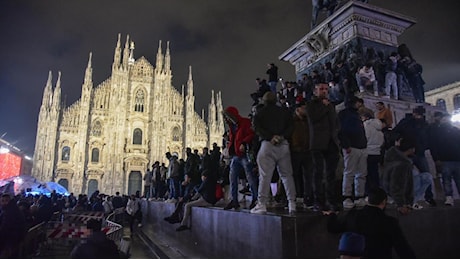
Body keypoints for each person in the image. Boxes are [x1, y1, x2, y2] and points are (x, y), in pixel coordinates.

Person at [327, 187, 416, 258]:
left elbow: (333, 228)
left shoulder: (353, 215)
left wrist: (332, 214)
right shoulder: (389, 222)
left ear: (367, 200)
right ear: (384, 202)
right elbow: (403, 249)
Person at [251, 91, 296, 214]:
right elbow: (291, 126)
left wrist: (270, 137)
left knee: (265, 176)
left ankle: (262, 204)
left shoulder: (260, 113)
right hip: (283, 144)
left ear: (264, 101)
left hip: (267, 144)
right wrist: (281, 136)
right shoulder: (284, 112)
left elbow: (256, 127)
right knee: (287, 175)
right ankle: (292, 203)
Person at [305, 83, 341, 211]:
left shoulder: (330, 105)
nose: (324, 91)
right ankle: (318, 200)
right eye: (321, 89)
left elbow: (335, 122)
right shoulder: (311, 105)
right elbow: (314, 118)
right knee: (318, 173)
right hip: (318, 143)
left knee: (331, 174)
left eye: (326, 89)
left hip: (332, 142)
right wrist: (324, 107)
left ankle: (331, 199)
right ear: (315, 91)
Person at [393, 106, 436, 207]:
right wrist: (400, 141)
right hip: (407, 153)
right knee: (406, 176)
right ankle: (404, 198)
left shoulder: (425, 124)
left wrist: (424, 147)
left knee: (426, 175)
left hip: (419, 153)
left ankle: (428, 196)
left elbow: (427, 138)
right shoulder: (406, 122)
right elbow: (395, 132)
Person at [223, 106, 259, 210]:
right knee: (232, 178)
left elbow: (252, 134)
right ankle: (234, 201)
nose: (225, 119)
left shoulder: (245, 122)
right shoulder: (231, 126)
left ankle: (255, 199)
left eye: (227, 117)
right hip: (235, 156)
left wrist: (244, 142)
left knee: (250, 177)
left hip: (244, 156)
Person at [338, 96, 368, 209]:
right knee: (349, 173)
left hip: (361, 146)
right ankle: (347, 196)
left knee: (361, 174)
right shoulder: (344, 114)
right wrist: (346, 145)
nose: (359, 105)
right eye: (358, 103)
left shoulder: (355, 115)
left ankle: (359, 196)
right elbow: (340, 130)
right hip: (352, 147)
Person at [428, 113, 460, 206]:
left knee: (448, 179)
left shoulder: (453, 131)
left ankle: (449, 197)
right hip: (448, 159)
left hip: (451, 158)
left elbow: (434, 146)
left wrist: (436, 158)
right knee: (448, 179)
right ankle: (449, 196)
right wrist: (436, 158)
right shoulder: (440, 131)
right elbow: (434, 146)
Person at [288, 101, 314, 208]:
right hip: (296, 151)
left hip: (307, 151)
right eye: (304, 108)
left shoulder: (308, 121)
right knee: (295, 175)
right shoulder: (292, 122)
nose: (306, 110)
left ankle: (307, 198)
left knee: (308, 175)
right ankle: (296, 196)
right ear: (298, 109)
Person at [361, 109, 384, 193]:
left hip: (368, 151)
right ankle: (377, 190)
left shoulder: (366, 125)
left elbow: (364, 138)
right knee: (375, 173)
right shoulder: (379, 127)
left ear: (365, 117)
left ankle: (368, 192)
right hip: (377, 152)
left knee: (367, 174)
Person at [0, 193, 27, 257]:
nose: (4, 203)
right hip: (16, 237)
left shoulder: (10, 212)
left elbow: (5, 229)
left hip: (12, 240)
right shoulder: (13, 209)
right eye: (2, 201)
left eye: (6, 200)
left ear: (10, 201)